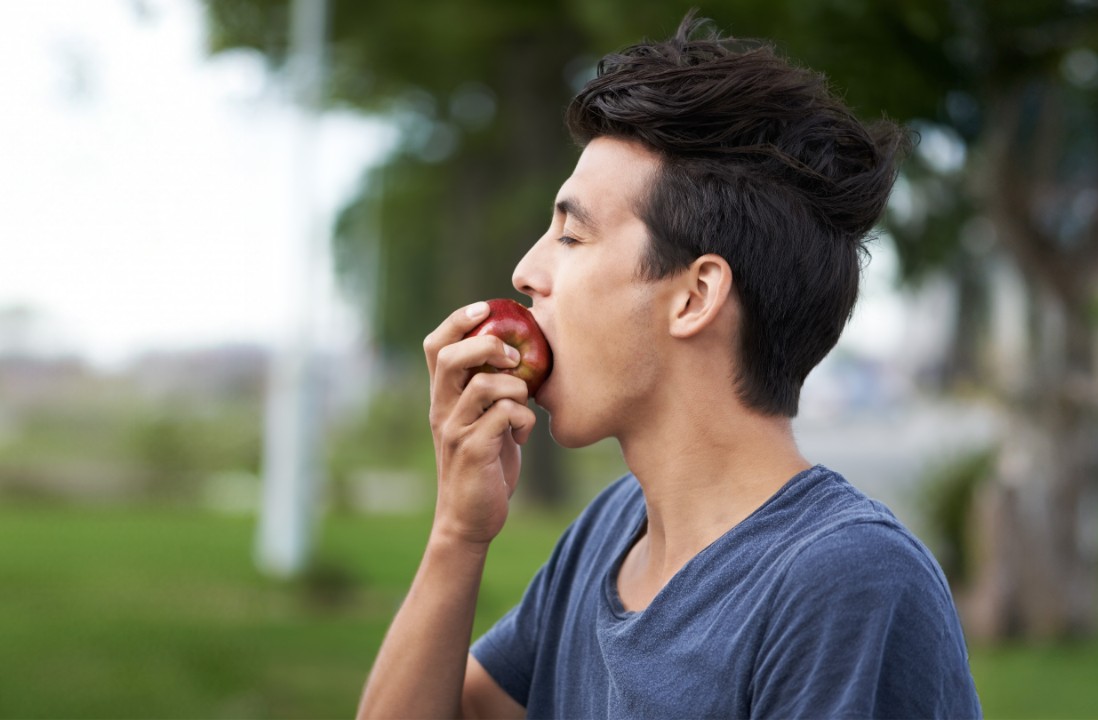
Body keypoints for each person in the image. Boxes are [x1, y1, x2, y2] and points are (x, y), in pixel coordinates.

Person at [357, 13, 981, 720]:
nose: (526, 271)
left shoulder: (845, 584)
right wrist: (458, 532)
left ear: (695, 296)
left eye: (571, 235)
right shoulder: (608, 533)